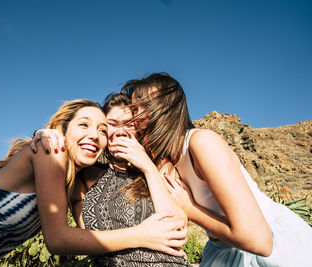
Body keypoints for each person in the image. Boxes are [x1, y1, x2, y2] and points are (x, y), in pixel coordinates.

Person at [0, 99, 186, 267]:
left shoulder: (70, 179)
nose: (95, 135)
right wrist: (143, 234)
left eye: (102, 130)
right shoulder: (53, 152)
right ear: (62, 129)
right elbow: (57, 239)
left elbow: (85, 234)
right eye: (84, 125)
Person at [118, 72, 312, 266]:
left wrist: (189, 208)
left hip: (273, 252)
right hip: (223, 251)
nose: (134, 116)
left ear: (166, 108)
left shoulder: (201, 142)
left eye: (139, 107)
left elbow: (259, 242)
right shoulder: (165, 160)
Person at [32, 93, 192, 266]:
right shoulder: (85, 175)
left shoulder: (160, 167)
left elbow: (178, 230)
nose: (121, 131)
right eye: (112, 125)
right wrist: (48, 134)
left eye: (129, 124)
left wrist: (147, 167)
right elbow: (67, 149)